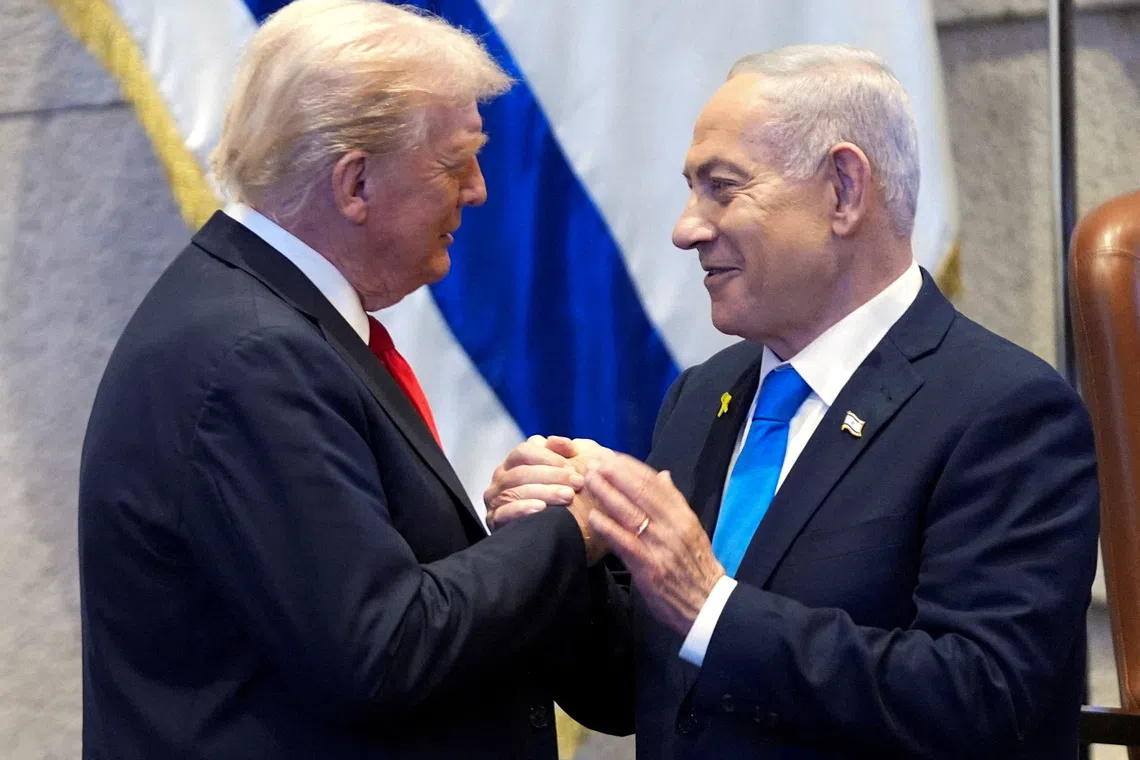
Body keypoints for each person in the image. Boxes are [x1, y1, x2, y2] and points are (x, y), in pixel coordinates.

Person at [486, 45, 1100, 758]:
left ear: (844, 189)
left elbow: (983, 699)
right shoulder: (703, 395)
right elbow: (632, 694)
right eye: (691, 190)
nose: (687, 228)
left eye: (722, 188)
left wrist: (710, 606)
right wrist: (564, 555)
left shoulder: (1006, 412)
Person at [77, 2, 605, 758]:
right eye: (456, 162)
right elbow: (379, 648)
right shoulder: (255, 357)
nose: (479, 190)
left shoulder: (271, 322)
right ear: (355, 182)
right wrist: (567, 529)